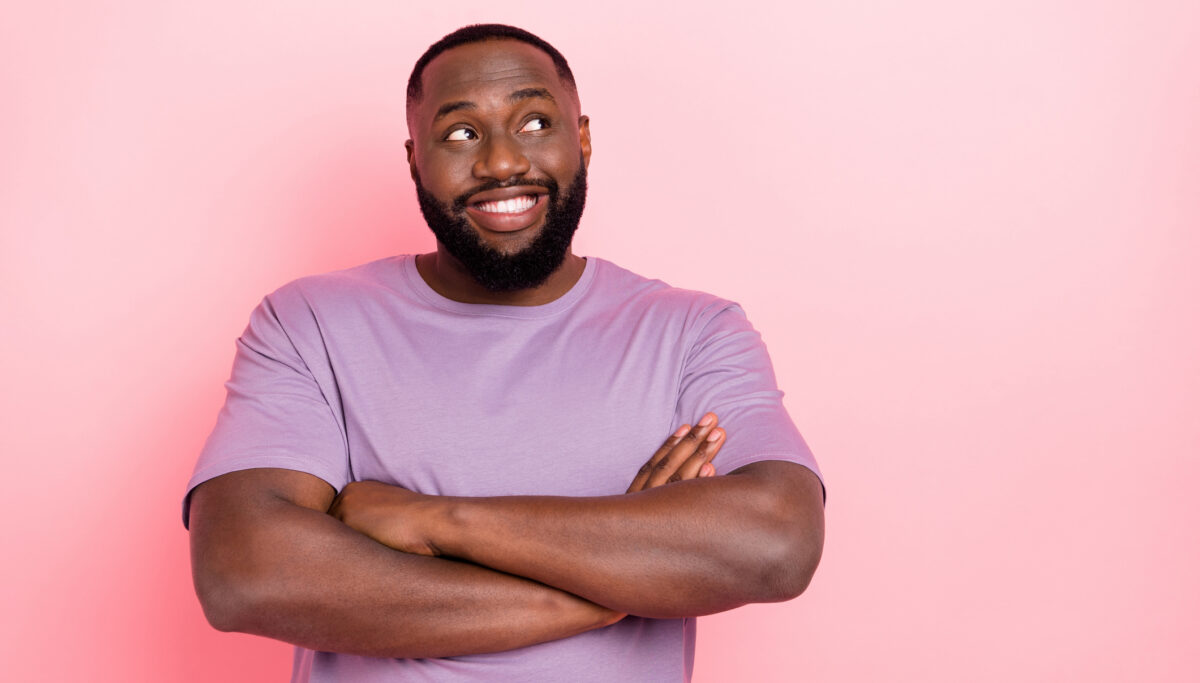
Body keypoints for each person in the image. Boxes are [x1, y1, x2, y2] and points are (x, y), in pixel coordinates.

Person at [184, 23, 825, 683]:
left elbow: (776, 544)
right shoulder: (309, 324)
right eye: (461, 133)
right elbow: (244, 573)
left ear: (582, 138)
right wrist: (613, 584)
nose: (500, 163)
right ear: (414, 159)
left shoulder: (693, 332)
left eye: (535, 122)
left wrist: (434, 520)